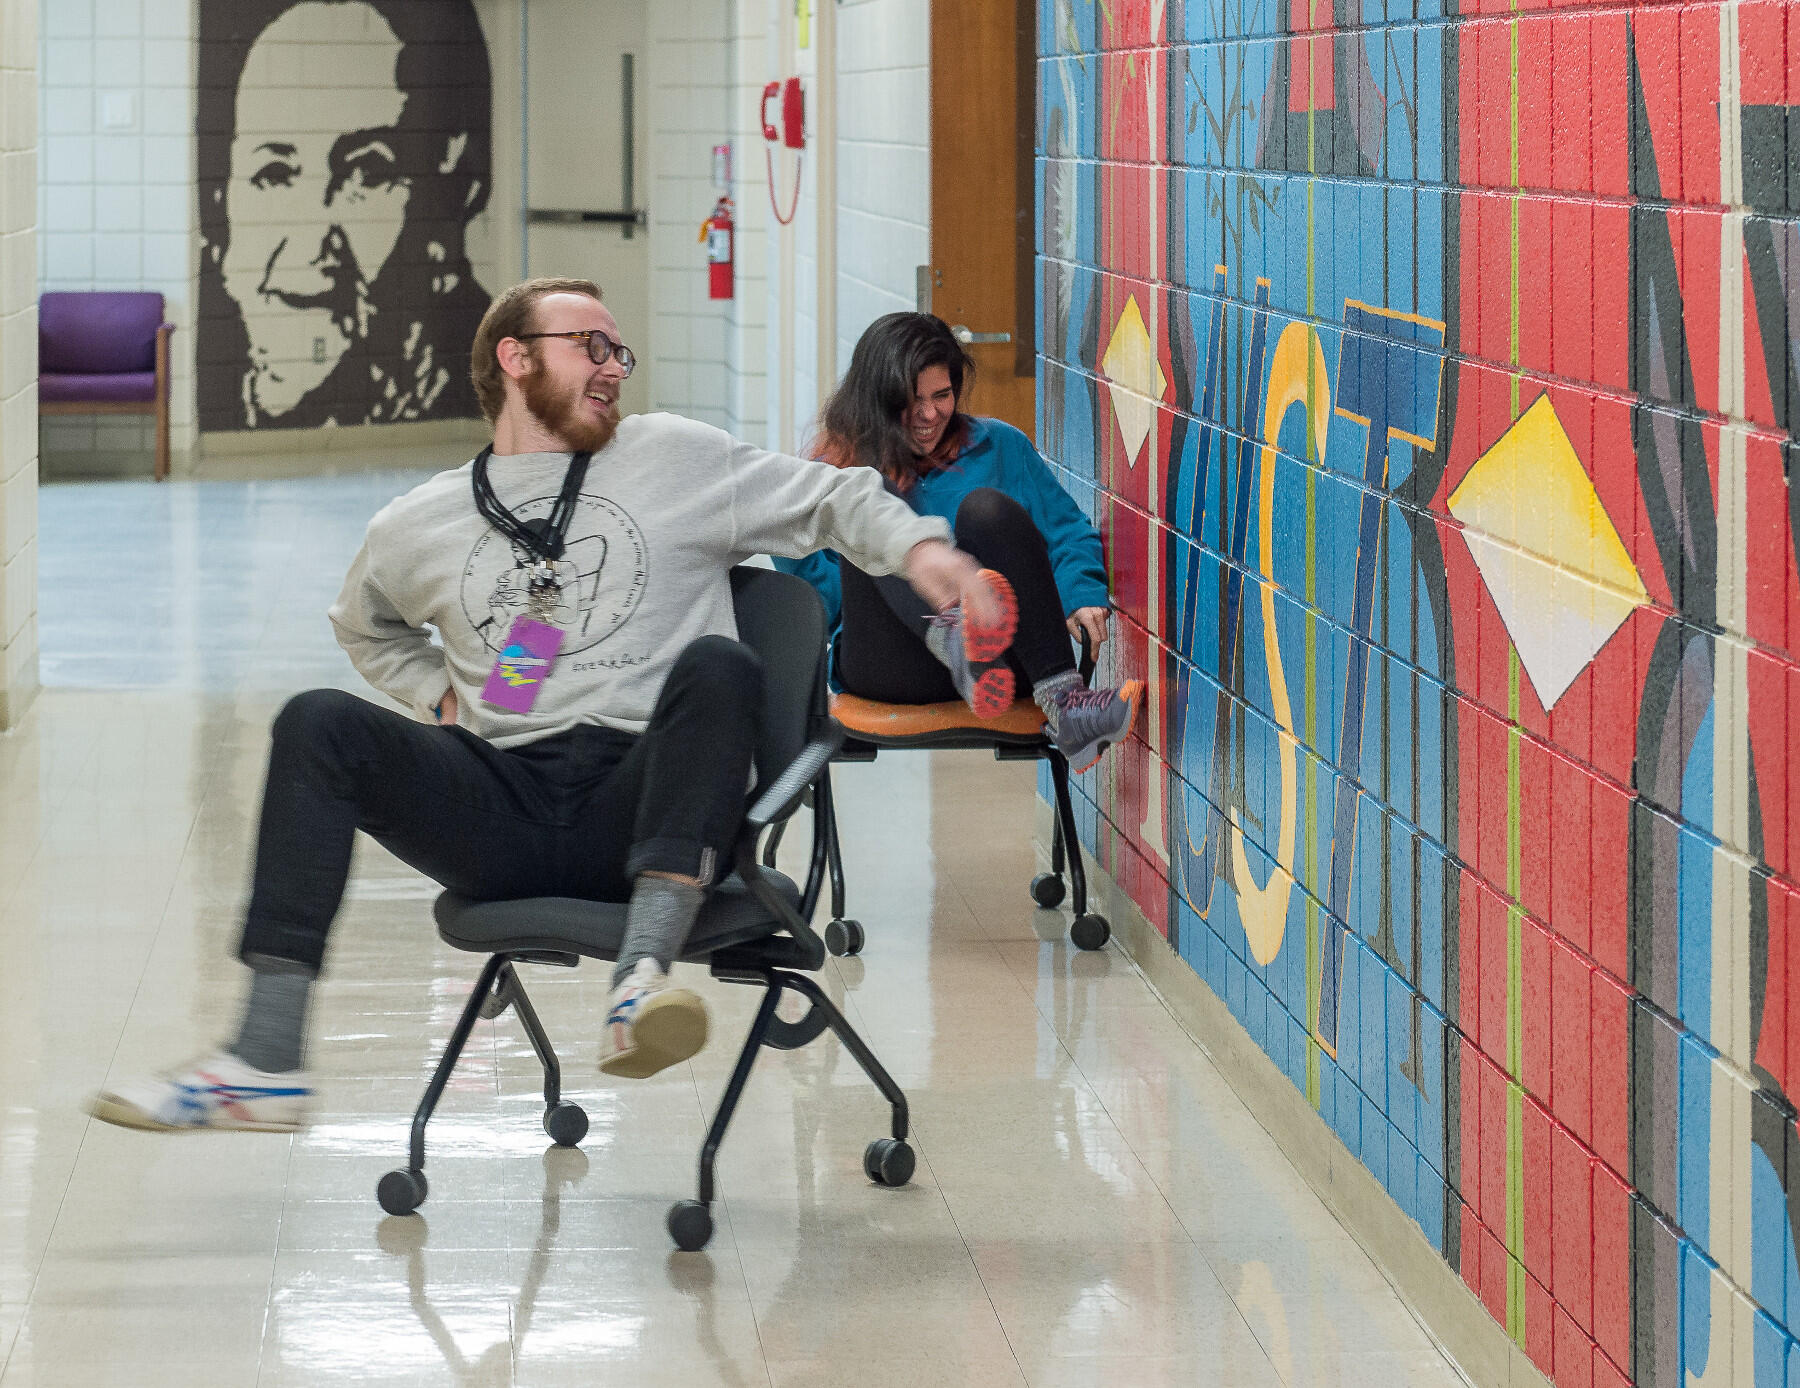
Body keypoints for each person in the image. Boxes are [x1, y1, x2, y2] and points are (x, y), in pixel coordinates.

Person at [89, 277, 1005, 1132]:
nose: (614, 365)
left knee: (720, 663)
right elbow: (362, 627)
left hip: (649, 800)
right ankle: (265, 1056)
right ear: (515, 359)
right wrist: (436, 693)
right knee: (315, 724)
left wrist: (932, 557)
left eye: (620, 353)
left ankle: (639, 985)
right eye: (591, 345)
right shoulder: (422, 521)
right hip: (505, 805)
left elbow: (839, 499)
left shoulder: (676, 457)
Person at [775, 312, 1141, 772]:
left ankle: (1067, 703)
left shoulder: (1001, 445)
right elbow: (802, 577)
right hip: (891, 666)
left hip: (1002, 669)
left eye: (942, 395)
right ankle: (951, 636)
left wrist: (1081, 593)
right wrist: (882, 593)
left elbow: (1067, 529)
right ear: (877, 401)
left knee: (987, 507)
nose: (929, 415)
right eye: (912, 401)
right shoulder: (833, 473)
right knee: (873, 501)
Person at [196, 0, 494, 430]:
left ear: (455, 194)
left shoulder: (495, 379)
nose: (314, 243)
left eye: (369, 173)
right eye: (275, 174)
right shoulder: (211, 378)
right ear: (220, 208)